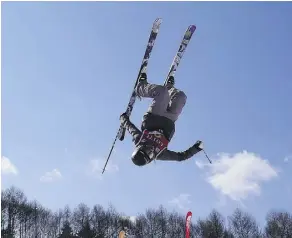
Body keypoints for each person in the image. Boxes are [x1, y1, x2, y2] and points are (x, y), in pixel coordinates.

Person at [120, 72, 203, 166]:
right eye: (151, 154)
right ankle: (170, 88)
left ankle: (140, 88)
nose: (151, 150)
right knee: (181, 97)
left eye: (147, 150)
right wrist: (196, 148)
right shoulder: (161, 154)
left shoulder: (139, 140)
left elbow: (131, 129)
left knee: (162, 92)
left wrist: (124, 120)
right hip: (170, 120)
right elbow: (181, 157)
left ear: (139, 148)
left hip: (154, 116)